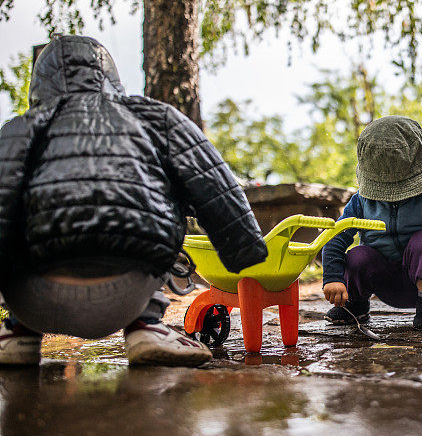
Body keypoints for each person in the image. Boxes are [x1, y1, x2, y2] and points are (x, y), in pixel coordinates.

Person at [0, 35, 268, 367]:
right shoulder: (156, 117)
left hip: (35, 300)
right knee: (152, 207)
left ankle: (17, 333)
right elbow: (216, 185)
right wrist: (246, 253)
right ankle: (147, 326)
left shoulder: (20, 129)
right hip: (126, 293)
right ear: (109, 75)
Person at [321, 115, 422, 329]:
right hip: (383, 282)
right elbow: (336, 238)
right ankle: (356, 307)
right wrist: (333, 278)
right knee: (358, 255)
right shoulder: (361, 202)